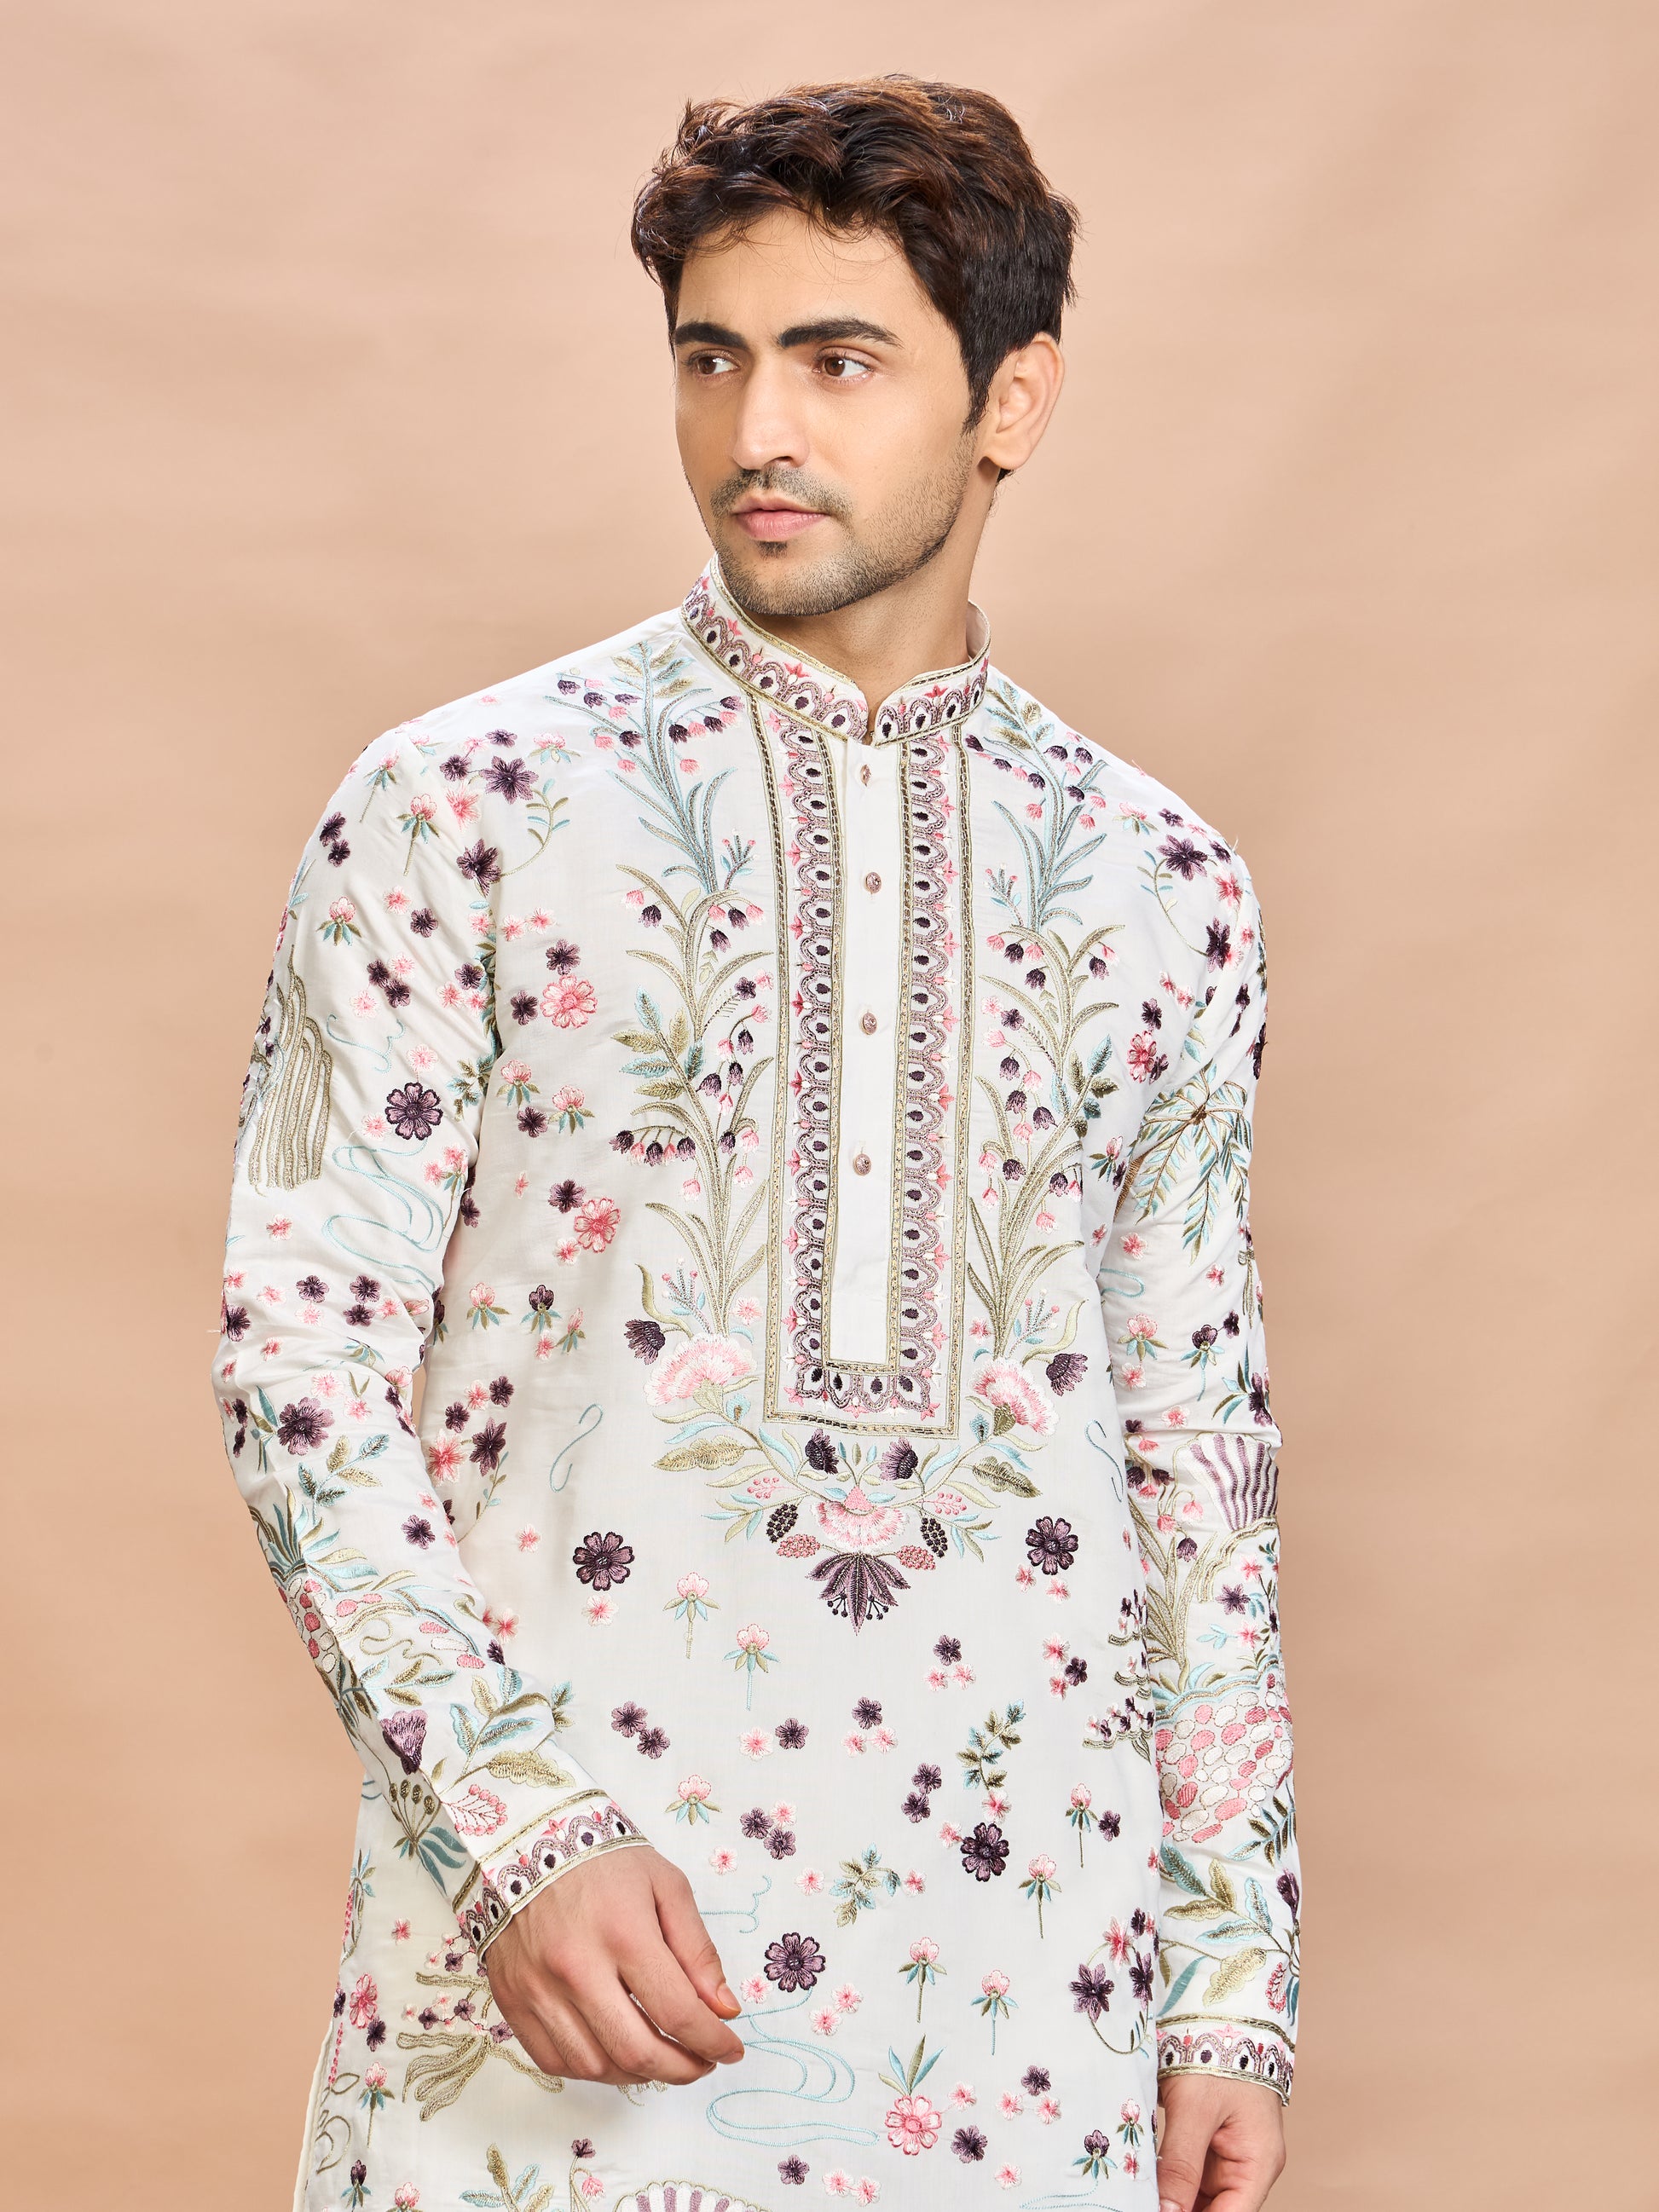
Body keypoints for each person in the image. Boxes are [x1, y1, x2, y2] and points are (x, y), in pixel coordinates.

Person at [211, 73, 1299, 2212]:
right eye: (710, 358)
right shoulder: (459, 807)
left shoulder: (1166, 887)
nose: (754, 431)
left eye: (838, 360)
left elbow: (1199, 1452)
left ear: (1011, 400)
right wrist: (510, 1826)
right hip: (568, 1964)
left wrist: (1228, 1980)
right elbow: (301, 1367)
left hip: (1029, 1991)